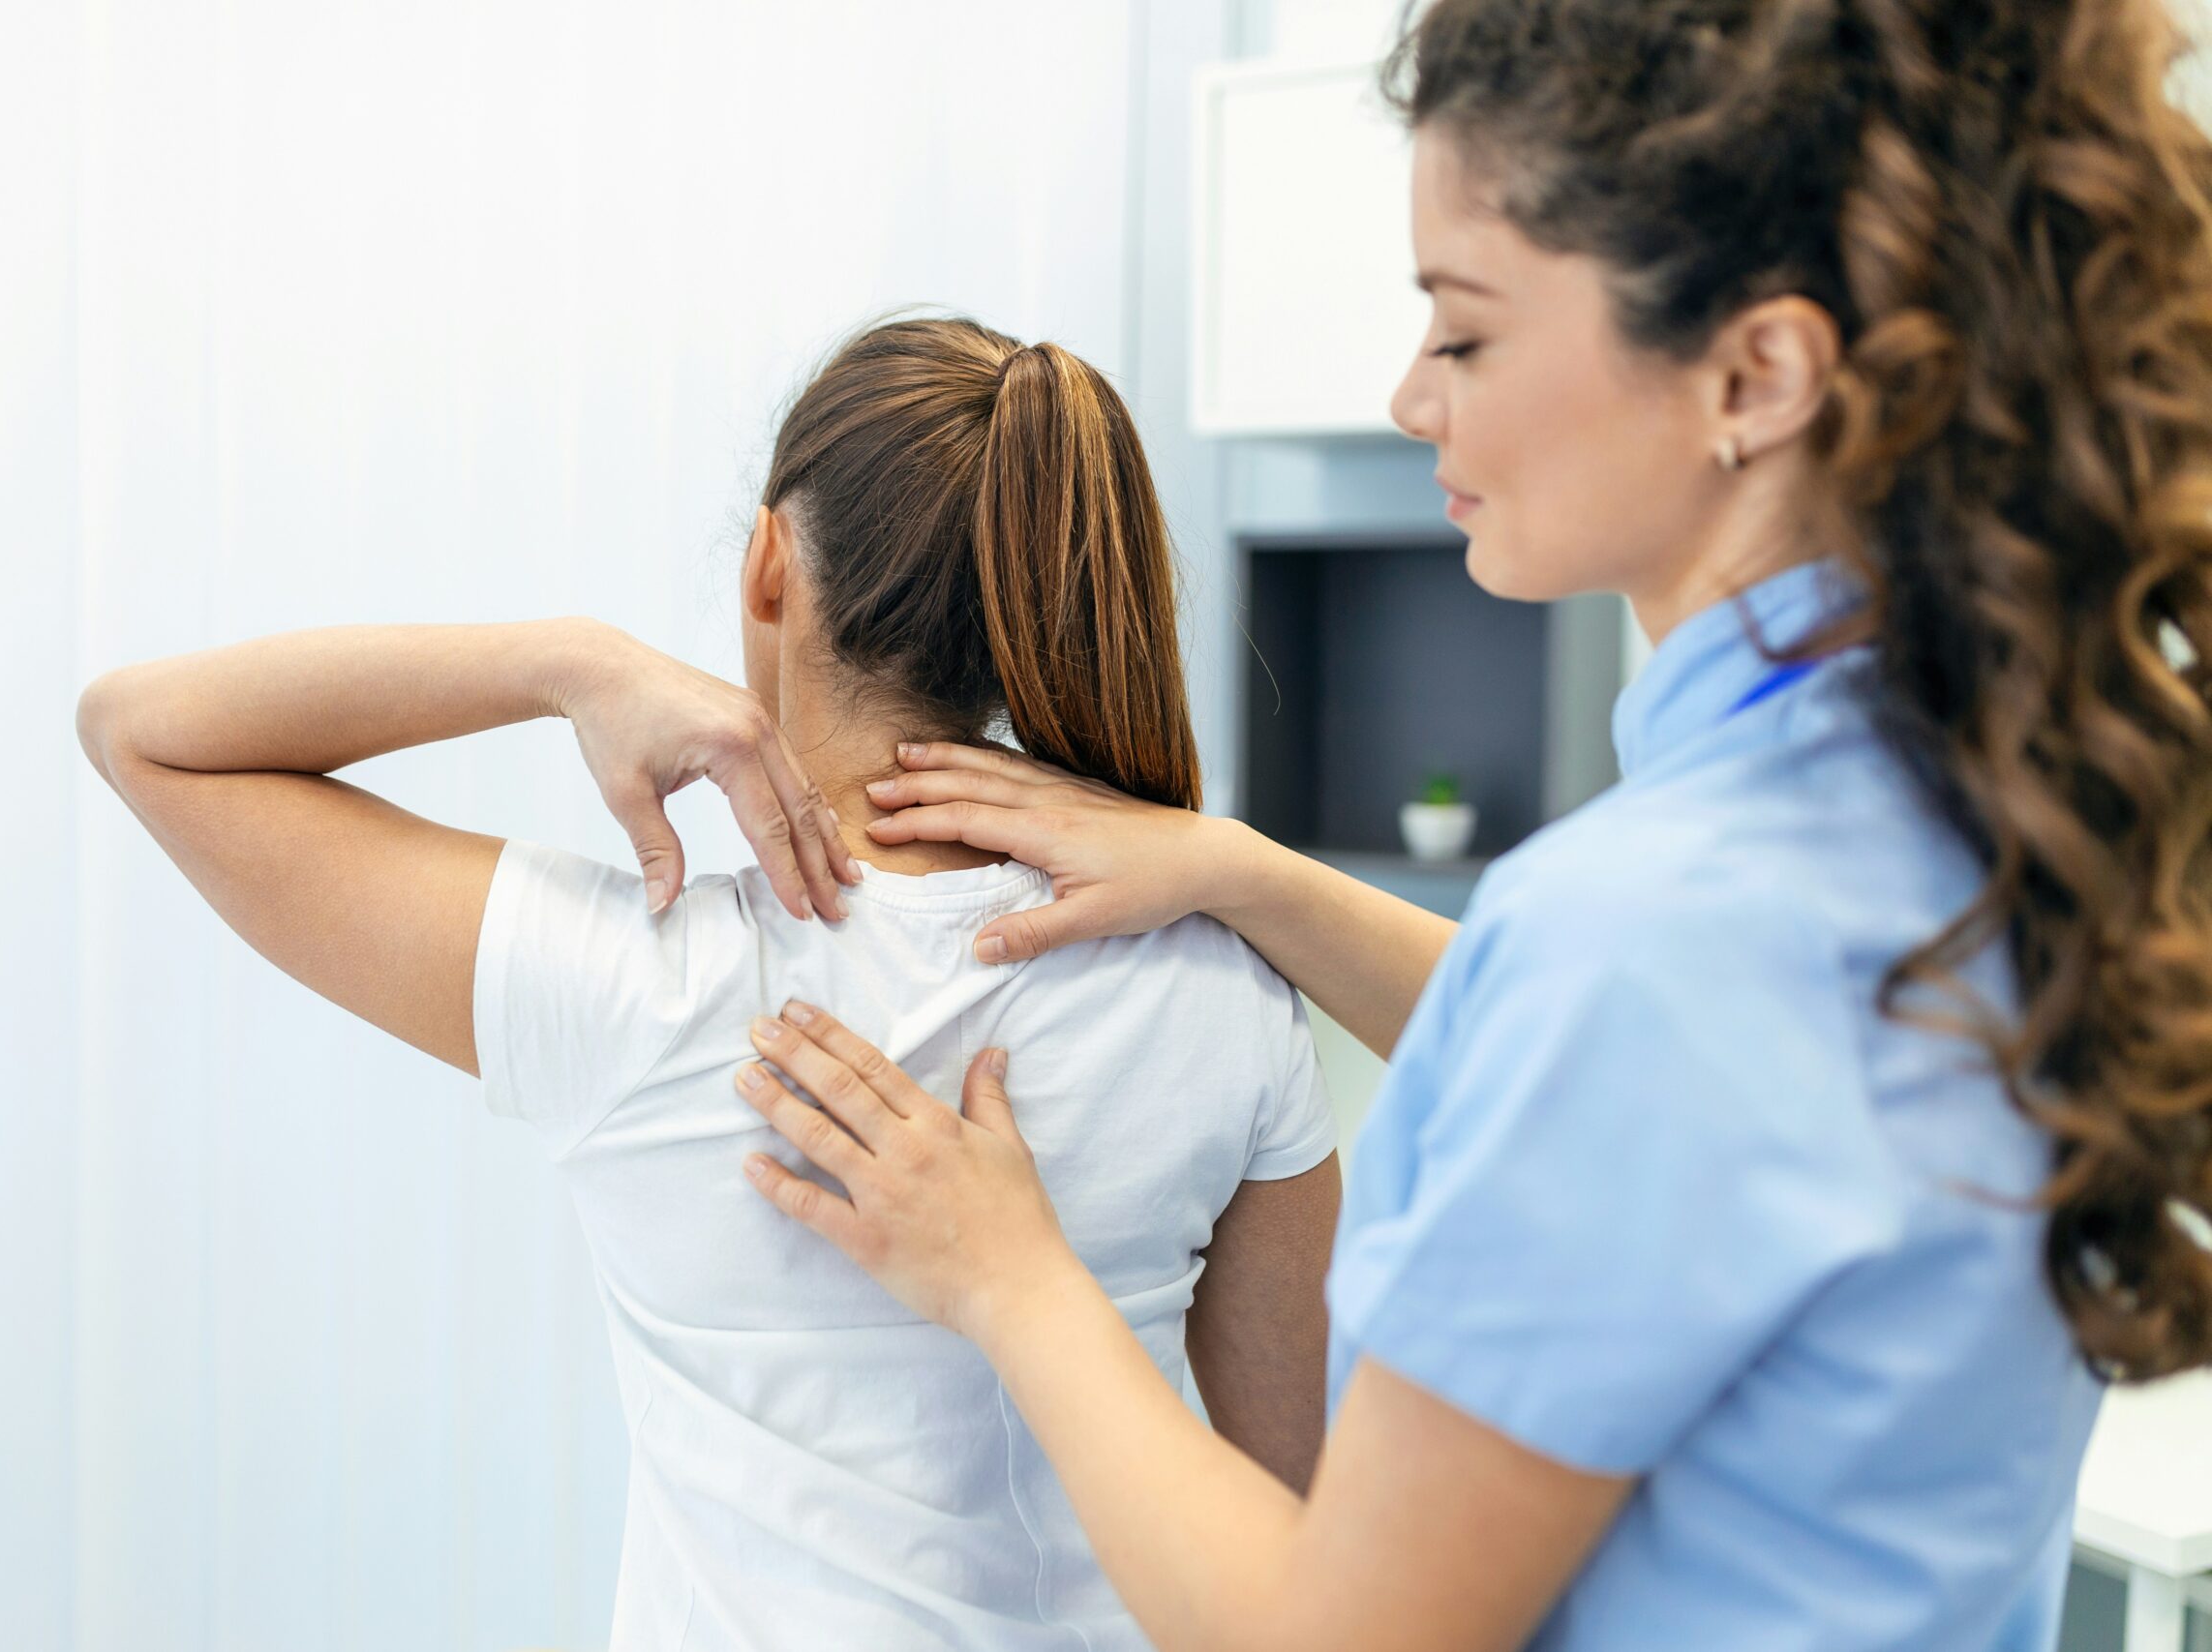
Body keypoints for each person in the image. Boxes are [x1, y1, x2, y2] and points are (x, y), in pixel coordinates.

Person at [729, 3, 2212, 1648]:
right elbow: (1687, 1100)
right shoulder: (1972, 820)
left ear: (1756, 374)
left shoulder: (1644, 941)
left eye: (1466, 331)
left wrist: (1007, 1279)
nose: (1412, 396)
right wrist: (1233, 868)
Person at [73, 316, 1344, 1649]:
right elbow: (1294, 1519)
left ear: (769, 568)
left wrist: (567, 662)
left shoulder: (640, 982)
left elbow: (143, 734)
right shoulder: (1229, 984)